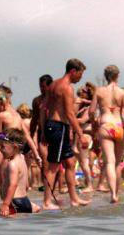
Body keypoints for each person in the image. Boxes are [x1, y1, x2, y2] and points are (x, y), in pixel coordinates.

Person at [89, 65, 124, 204]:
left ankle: (113, 194)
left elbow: (91, 111)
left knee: (109, 162)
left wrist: (94, 124)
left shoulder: (99, 91)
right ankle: (117, 193)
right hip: (120, 126)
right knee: (117, 163)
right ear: (117, 76)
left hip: (106, 125)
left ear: (106, 76)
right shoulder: (122, 92)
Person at [43, 58, 91, 209]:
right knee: (53, 166)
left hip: (53, 125)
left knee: (70, 163)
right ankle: (47, 202)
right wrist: (81, 134)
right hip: (58, 127)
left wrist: (45, 128)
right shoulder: (67, 88)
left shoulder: (53, 85)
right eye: (80, 74)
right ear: (73, 71)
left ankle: (74, 199)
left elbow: (46, 108)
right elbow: (70, 114)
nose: (81, 78)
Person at [0, 128, 41, 217]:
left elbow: (13, 185)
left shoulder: (12, 164)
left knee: (9, 226)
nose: (0, 150)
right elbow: (25, 184)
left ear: (15, 147)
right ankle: (34, 207)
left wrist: (6, 204)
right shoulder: (22, 158)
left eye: (3, 147)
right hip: (25, 201)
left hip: (14, 202)